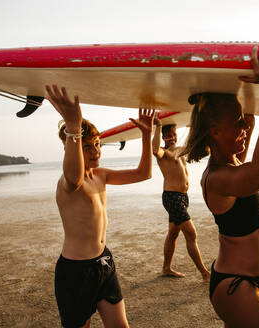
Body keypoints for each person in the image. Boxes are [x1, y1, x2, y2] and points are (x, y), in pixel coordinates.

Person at [179, 44, 259, 327]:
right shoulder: (217, 179)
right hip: (234, 284)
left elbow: (251, 125)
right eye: (237, 123)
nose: (245, 128)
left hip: (246, 280)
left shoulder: (233, 163)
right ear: (214, 131)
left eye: (243, 121)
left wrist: (244, 104)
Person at [46, 84, 155, 328]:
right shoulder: (69, 183)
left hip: (104, 262)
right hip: (75, 272)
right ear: (70, 147)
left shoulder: (100, 175)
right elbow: (73, 175)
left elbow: (144, 173)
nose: (96, 150)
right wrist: (73, 127)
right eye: (88, 146)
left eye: (97, 144)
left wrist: (147, 136)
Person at [152, 118, 211, 281]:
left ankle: (166, 269)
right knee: (191, 233)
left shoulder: (181, 151)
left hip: (183, 198)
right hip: (172, 198)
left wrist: (196, 129)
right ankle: (205, 273)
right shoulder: (164, 153)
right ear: (163, 137)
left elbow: (204, 150)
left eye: (173, 134)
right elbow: (155, 149)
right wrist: (158, 127)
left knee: (173, 234)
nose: (171, 137)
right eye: (167, 135)